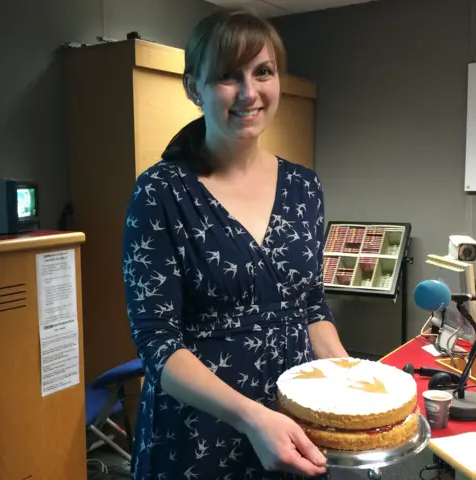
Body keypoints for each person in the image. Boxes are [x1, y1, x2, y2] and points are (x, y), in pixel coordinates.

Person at [122, 8, 349, 480]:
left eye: (262, 72)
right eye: (228, 76)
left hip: (291, 427)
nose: (249, 93)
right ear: (194, 88)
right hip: (199, 437)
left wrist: (351, 384)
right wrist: (251, 417)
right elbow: (157, 343)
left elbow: (309, 308)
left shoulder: (304, 187)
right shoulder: (162, 192)